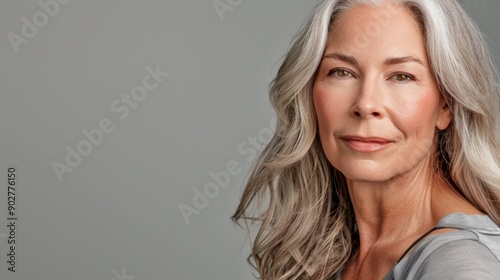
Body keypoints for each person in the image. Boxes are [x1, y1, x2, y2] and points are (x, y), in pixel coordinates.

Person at [232, 0, 500, 279]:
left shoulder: (460, 263)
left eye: (401, 76)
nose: (365, 103)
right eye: (342, 72)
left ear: (446, 105)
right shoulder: (336, 249)